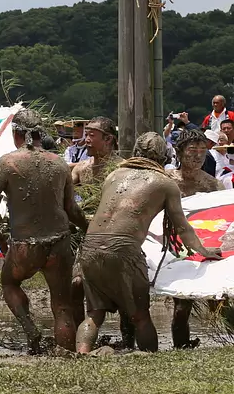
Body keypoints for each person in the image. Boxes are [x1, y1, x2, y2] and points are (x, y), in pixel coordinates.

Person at [76, 132, 222, 353]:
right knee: (140, 315)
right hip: (123, 250)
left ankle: (82, 354)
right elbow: (182, 227)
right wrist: (204, 250)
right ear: (167, 155)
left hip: (90, 247)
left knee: (94, 313)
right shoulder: (165, 183)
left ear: (135, 152)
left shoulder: (114, 175)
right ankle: (150, 358)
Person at [0, 108, 88, 353]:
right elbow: (72, 210)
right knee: (62, 305)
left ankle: (30, 330)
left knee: (9, 283)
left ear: (16, 133)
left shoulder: (8, 163)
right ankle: (65, 355)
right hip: (59, 242)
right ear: (39, 134)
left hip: (25, 245)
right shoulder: (59, 164)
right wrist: (90, 228)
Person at [164, 129, 222, 349]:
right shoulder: (167, 180)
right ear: (179, 152)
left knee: (220, 299)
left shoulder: (213, 185)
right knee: (182, 304)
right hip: (175, 247)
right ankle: (181, 348)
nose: (198, 156)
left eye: (202, 151)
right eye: (192, 150)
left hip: (207, 247)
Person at [71, 117, 120, 186]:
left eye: (91, 135)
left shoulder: (121, 168)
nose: (86, 140)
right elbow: (65, 190)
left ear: (108, 139)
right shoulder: (81, 168)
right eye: (86, 135)